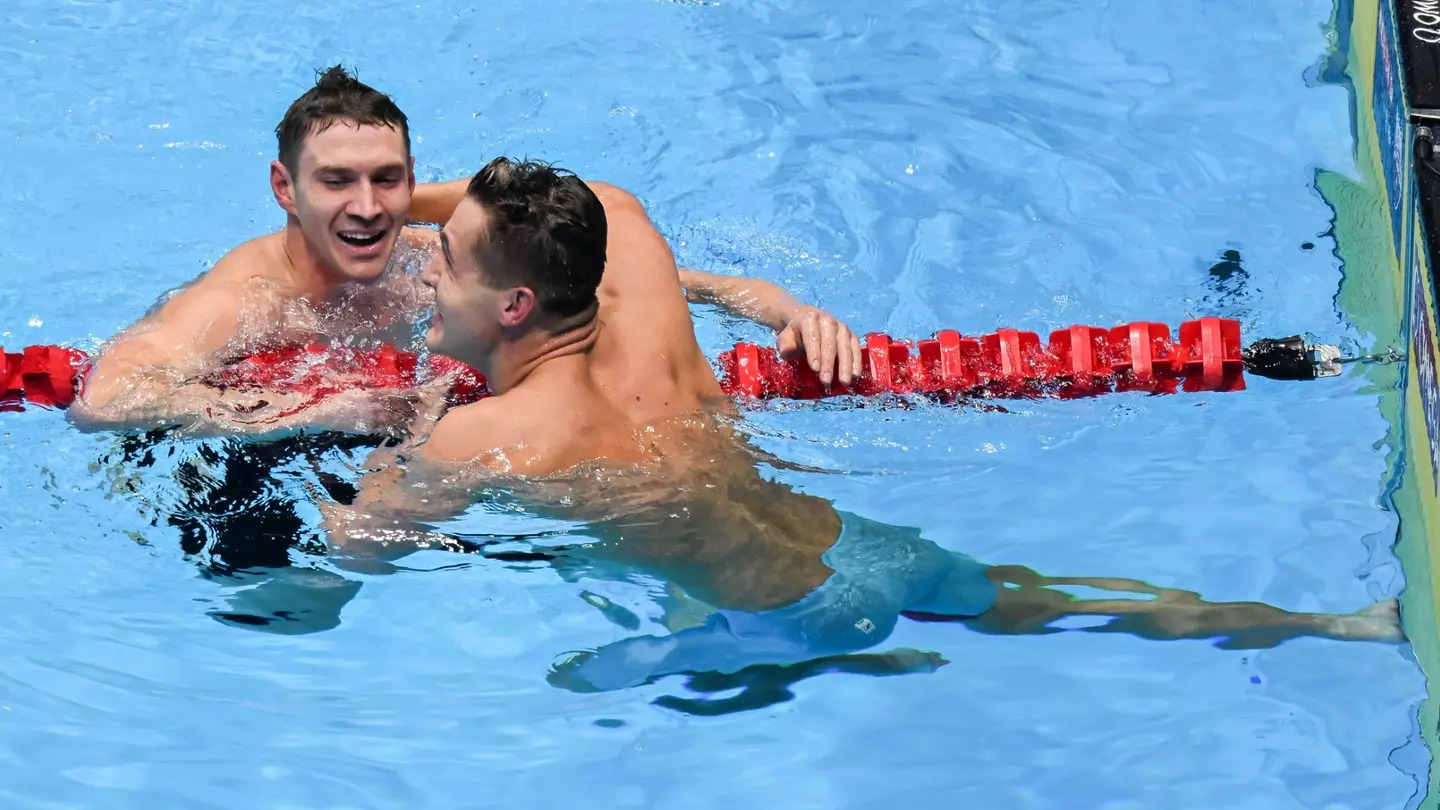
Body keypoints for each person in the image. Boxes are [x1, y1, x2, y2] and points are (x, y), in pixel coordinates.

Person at [320, 157, 1403, 704]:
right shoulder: (633, 254)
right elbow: (586, 192)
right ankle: (1341, 624)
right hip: (859, 547)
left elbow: (353, 554)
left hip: (798, 619)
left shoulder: (487, 441)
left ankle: (752, 662)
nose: (423, 272)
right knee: (1048, 601)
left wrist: (379, 442)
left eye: (443, 260)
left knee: (596, 676)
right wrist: (412, 210)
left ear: (515, 305)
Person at [69, 65, 862, 438]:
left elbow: (686, 285)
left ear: (415, 182)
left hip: (421, 439)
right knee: (298, 600)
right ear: (285, 189)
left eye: (386, 180)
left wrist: (790, 312)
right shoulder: (245, 299)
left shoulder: (432, 260)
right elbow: (107, 400)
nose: (368, 207)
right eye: (336, 182)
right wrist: (298, 413)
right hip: (264, 447)